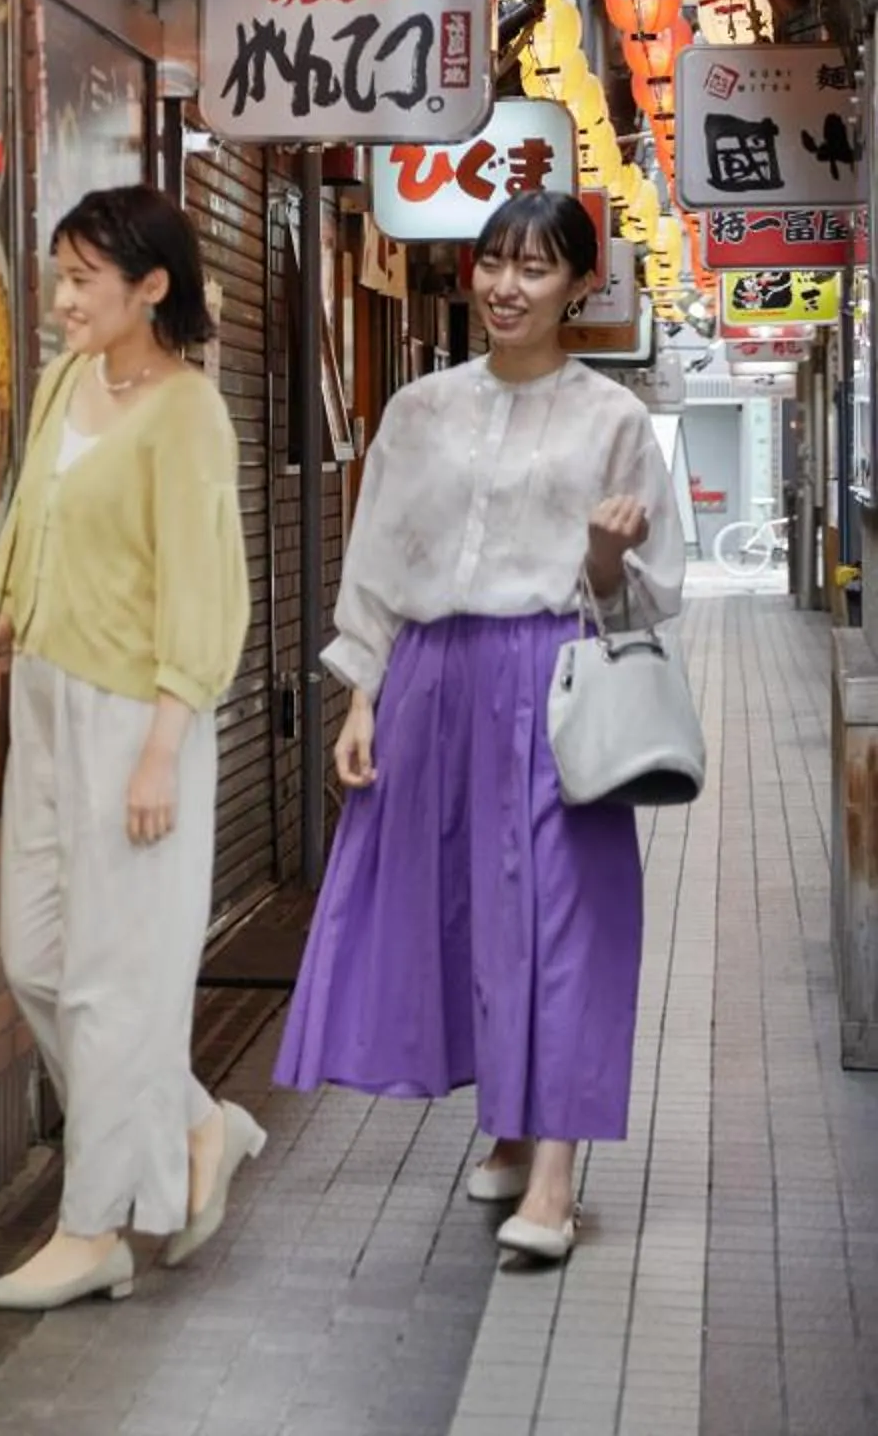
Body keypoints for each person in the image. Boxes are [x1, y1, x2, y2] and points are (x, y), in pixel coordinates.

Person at [275, 190, 679, 1266]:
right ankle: (506, 1124)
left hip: (557, 678)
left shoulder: (613, 420)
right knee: (460, 911)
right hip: (433, 677)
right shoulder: (421, 410)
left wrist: (605, 556)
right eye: (493, 262)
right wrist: (361, 693)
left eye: (535, 267)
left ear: (580, 284)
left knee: (564, 917)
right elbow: (380, 556)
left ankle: (554, 1175)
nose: (506, 286)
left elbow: (644, 596)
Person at [0, 184, 256, 1309]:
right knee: (36, 958)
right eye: (61, 275)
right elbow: (28, 526)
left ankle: (93, 1233)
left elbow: (205, 586)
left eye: (85, 279)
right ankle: (194, 1123)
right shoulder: (64, 383)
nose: (63, 298)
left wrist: (165, 742)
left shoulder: (189, 414)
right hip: (44, 698)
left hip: (138, 711)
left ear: (151, 287)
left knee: (112, 983)